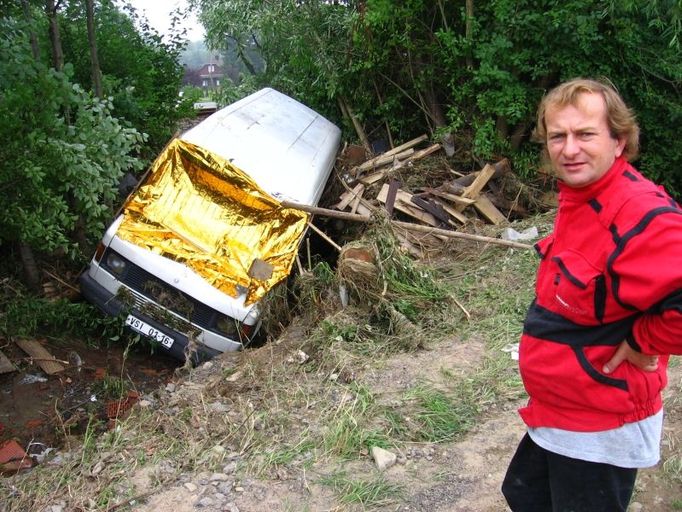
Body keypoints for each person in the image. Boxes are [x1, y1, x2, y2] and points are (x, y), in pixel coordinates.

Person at [501, 77, 682, 511]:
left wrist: (644, 341)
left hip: (599, 421)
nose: (569, 149)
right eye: (558, 136)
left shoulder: (640, 214)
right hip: (563, 405)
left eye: (585, 134)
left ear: (619, 141)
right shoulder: (582, 198)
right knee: (524, 493)